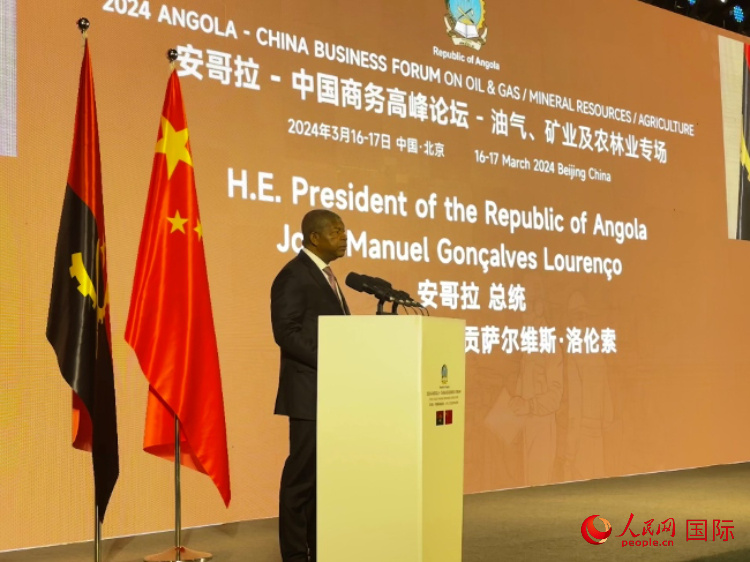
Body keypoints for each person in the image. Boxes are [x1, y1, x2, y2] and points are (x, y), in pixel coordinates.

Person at [271, 209, 349, 562]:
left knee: (324, 480)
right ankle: (294, 555)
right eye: (336, 231)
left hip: (332, 394)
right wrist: (333, 360)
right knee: (301, 480)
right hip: (309, 393)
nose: (344, 237)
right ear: (314, 237)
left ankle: (320, 550)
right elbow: (286, 333)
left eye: (344, 230)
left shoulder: (327, 277)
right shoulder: (293, 275)